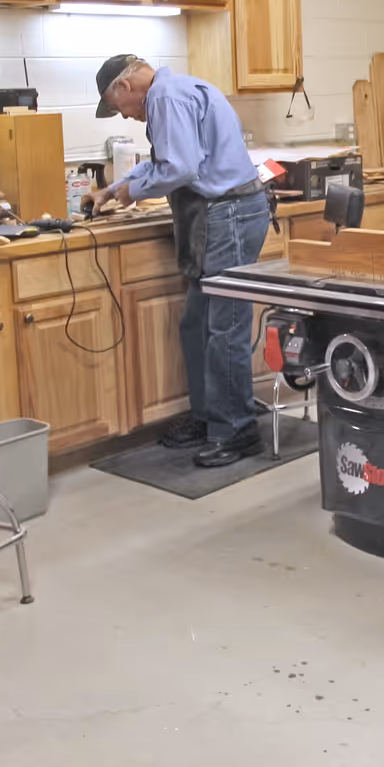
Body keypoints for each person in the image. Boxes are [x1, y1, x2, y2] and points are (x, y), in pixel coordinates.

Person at [90, 54, 270, 468]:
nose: (127, 116)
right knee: (197, 323)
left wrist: (133, 193)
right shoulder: (176, 90)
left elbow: (180, 168)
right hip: (221, 214)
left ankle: (238, 430)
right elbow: (167, 162)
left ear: (124, 87)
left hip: (229, 214)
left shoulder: (166, 97)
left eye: (119, 108)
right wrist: (115, 188)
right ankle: (210, 417)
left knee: (224, 328)